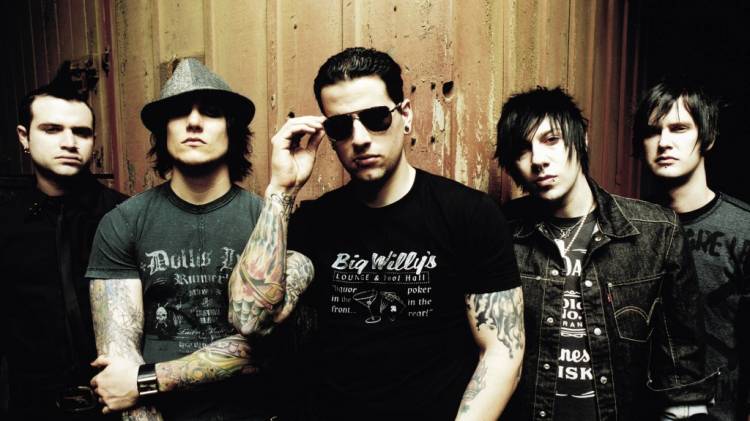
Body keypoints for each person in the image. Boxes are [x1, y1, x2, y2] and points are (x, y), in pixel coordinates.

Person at [284, 47, 524, 420]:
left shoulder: (470, 214)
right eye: (341, 126)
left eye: (376, 118)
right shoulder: (314, 221)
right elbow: (252, 319)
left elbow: (503, 351)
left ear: (405, 115)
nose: (359, 138)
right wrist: (280, 192)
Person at [84, 58, 315, 420]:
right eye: (179, 113)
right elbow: (119, 369)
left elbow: (258, 328)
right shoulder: (123, 223)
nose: (193, 122)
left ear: (232, 130)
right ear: (163, 131)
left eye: (210, 112)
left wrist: (281, 192)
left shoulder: (273, 220)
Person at [495, 86, 715, 420]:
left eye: (551, 140)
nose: (538, 160)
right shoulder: (500, 232)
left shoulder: (657, 232)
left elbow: (681, 367)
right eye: (522, 150)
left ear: (582, 139)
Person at [0, 63, 127, 419]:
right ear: (24, 137)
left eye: (81, 132)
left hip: (116, 405)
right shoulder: (7, 223)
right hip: (33, 406)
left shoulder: (124, 215)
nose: (69, 143)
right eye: (52, 129)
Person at [634, 79, 749, 421]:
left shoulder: (743, 229)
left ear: (708, 138)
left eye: (679, 128)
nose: (664, 142)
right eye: (653, 132)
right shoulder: (629, 226)